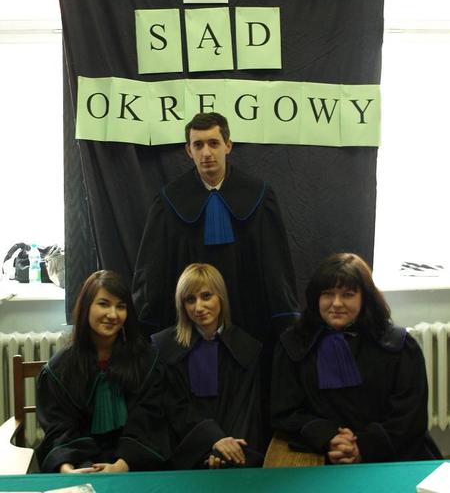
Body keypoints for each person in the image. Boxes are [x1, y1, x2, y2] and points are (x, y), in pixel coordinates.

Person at [132, 111, 299, 343]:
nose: (206, 153)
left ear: (228, 146)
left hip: (249, 320)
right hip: (189, 323)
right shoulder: (168, 201)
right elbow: (153, 272)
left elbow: (276, 268)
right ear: (188, 150)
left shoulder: (259, 196)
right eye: (198, 145)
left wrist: (285, 320)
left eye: (213, 143)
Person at [271, 252, 442, 464]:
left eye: (348, 295)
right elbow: (285, 412)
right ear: (316, 298)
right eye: (328, 294)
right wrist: (328, 438)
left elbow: (409, 416)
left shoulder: (400, 347)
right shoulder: (293, 345)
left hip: (393, 454)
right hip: (319, 453)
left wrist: (364, 448)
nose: (336, 303)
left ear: (365, 298)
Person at [36, 270, 169, 473]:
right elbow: (58, 429)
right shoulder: (59, 370)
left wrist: (122, 466)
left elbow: (149, 422)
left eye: (121, 306)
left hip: (134, 465)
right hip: (80, 464)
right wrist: (67, 469)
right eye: (104, 304)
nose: (113, 315)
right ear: (86, 307)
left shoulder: (146, 362)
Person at [152, 263, 264, 469]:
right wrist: (211, 441)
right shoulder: (165, 348)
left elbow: (246, 410)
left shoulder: (247, 349)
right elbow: (173, 407)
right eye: (190, 299)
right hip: (187, 454)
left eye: (206, 296)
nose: (198, 307)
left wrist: (228, 449)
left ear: (220, 297)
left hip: (236, 454)